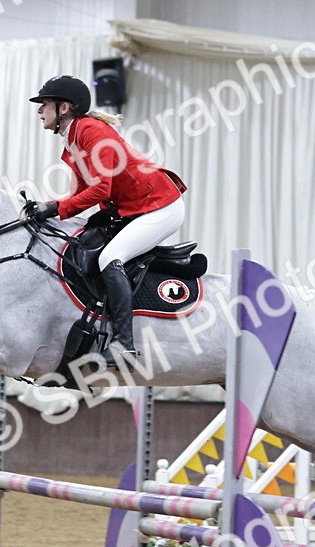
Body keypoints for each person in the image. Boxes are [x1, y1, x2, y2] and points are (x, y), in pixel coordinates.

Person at [27, 75, 186, 364]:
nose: (39, 111)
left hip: (161, 206)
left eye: (44, 105)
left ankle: (125, 346)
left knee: (109, 257)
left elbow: (101, 190)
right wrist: (47, 209)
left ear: (64, 108)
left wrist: (54, 208)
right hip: (134, 207)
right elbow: (78, 194)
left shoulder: (91, 131)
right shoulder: (72, 141)